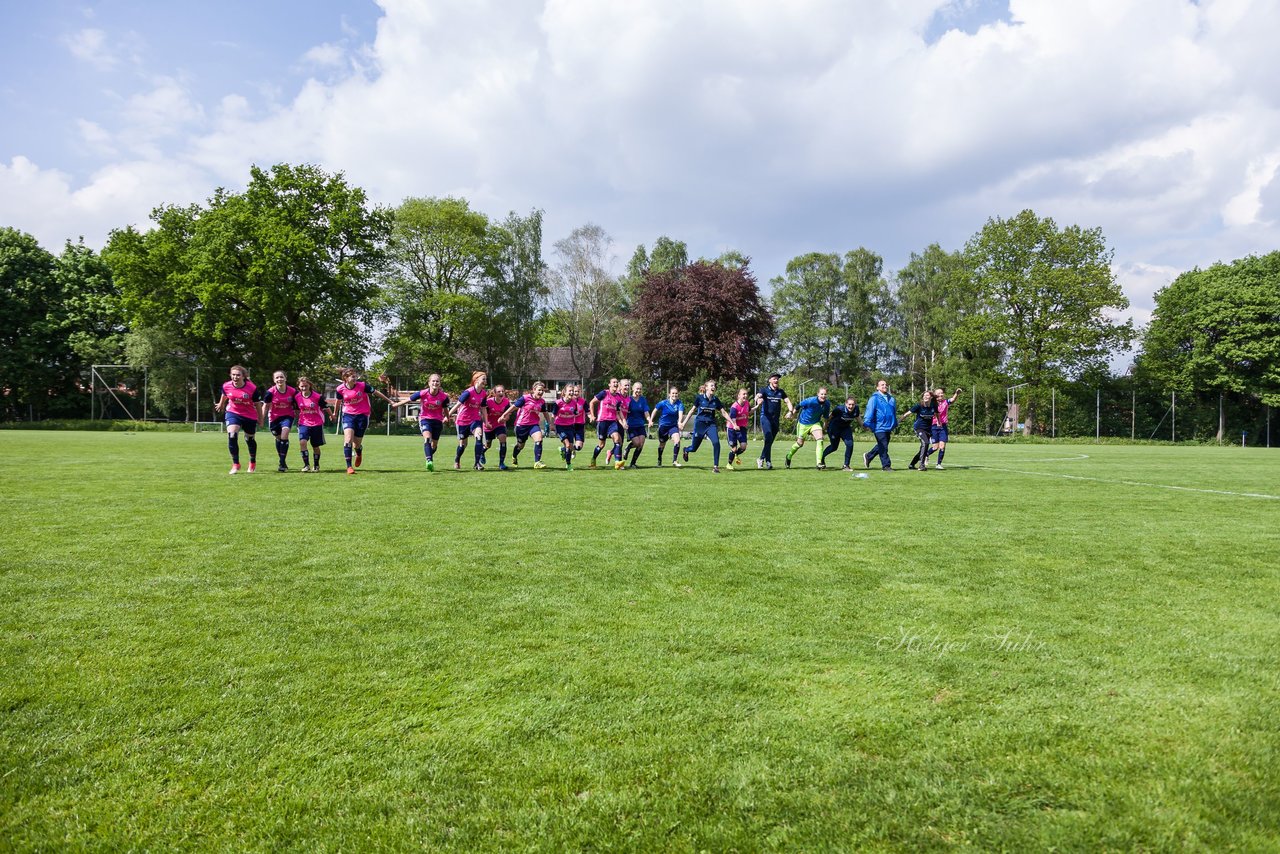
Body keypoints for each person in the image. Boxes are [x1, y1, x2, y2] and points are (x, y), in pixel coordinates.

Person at [333, 369, 396, 475]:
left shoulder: (362, 386)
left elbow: (376, 392)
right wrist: (334, 414)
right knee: (348, 439)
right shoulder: (340, 389)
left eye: (355, 376)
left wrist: (389, 401)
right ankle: (349, 467)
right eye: (352, 376)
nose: (355, 378)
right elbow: (338, 402)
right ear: (346, 378)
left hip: (362, 415)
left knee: (356, 444)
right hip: (348, 415)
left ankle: (359, 451)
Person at [214, 365, 264, 474]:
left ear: (243, 376)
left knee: (249, 439)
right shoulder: (226, 385)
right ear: (230, 375)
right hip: (233, 412)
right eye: (233, 375)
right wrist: (221, 404)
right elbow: (225, 394)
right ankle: (235, 464)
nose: (235, 377)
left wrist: (261, 419)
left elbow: (258, 405)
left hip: (249, 415)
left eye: (238, 375)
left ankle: (252, 462)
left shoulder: (252, 388)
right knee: (232, 435)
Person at [681, 379, 734, 473]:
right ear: (706, 388)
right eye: (711, 386)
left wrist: (733, 424)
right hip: (699, 425)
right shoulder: (699, 398)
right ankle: (686, 450)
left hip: (711, 425)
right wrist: (683, 423)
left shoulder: (716, 400)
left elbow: (724, 413)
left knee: (716, 443)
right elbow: (691, 411)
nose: (713, 387)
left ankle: (715, 467)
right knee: (694, 448)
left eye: (714, 386)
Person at [406, 373, 450, 471]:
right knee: (427, 439)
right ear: (429, 383)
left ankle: (429, 455)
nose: (435, 382)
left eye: (437, 381)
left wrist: (447, 417)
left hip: (438, 421)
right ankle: (429, 460)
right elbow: (408, 400)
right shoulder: (423, 393)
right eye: (433, 381)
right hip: (425, 419)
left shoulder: (444, 397)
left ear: (440, 383)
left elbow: (445, 409)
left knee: (434, 445)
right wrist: (395, 404)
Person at [448, 371, 491, 470]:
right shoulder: (468, 392)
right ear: (476, 380)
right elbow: (458, 404)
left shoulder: (484, 393)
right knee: (463, 445)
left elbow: (483, 408)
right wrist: (448, 415)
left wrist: (486, 422)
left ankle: (477, 463)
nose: (485, 381)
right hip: (462, 420)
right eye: (483, 379)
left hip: (475, 419)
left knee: (479, 436)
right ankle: (457, 460)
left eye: (486, 379)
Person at [261, 370, 299, 472]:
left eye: (281, 377)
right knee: (278, 438)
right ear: (274, 380)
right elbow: (265, 406)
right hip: (274, 418)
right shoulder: (270, 392)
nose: (279, 379)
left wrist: (299, 414)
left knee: (284, 435)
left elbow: (299, 403)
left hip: (287, 416)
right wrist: (261, 419)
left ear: (285, 378)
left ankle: (282, 463)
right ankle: (283, 461)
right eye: (277, 378)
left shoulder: (292, 391)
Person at [754, 373, 794, 469]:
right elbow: (757, 396)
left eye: (777, 379)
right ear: (770, 380)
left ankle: (762, 459)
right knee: (768, 437)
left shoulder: (781, 392)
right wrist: (757, 400)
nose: (776, 380)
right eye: (774, 379)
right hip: (765, 418)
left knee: (770, 441)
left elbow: (788, 401)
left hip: (775, 420)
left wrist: (790, 412)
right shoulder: (764, 390)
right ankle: (768, 461)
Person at [785, 387, 831, 469]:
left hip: (815, 423)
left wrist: (825, 426)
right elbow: (798, 406)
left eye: (825, 394)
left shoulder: (827, 404)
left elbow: (826, 417)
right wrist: (791, 414)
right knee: (799, 444)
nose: (823, 396)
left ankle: (819, 463)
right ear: (818, 394)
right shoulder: (810, 401)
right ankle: (788, 457)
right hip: (803, 423)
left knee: (820, 440)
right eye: (822, 394)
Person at [510, 382, 553, 469]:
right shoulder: (525, 398)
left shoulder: (542, 401)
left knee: (539, 439)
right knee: (520, 446)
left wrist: (550, 423)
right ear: (534, 390)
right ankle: (514, 456)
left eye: (542, 390)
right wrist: (504, 415)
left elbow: (545, 413)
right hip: (521, 425)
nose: (541, 392)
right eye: (539, 390)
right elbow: (514, 407)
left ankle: (537, 462)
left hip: (533, 425)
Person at [862, 379, 898, 470]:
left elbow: (893, 413)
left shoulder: (891, 399)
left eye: (885, 384)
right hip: (879, 426)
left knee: (882, 445)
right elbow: (870, 411)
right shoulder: (874, 398)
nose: (884, 386)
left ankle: (868, 456)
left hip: (888, 427)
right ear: (877, 387)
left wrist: (894, 423)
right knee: (884, 446)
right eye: (882, 385)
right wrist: (867, 423)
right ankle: (886, 465)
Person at [293, 376, 327, 472]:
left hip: (317, 424)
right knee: (302, 442)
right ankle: (306, 465)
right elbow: (296, 409)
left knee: (315, 446)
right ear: (299, 387)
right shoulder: (297, 397)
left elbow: (326, 407)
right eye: (302, 386)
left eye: (306, 386)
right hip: (303, 423)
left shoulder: (317, 397)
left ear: (310, 386)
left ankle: (316, 465)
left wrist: (332, 416)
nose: (304, 388)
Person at [588, 377, 624, 468]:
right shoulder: (604, 393)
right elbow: (592, 402)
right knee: (601, 445)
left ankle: (617, 463)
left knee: (617, 439)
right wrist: (592, 415)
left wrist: (623, 422)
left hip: (612, 422)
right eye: (613, 382)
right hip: (602, 422)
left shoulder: (619, 398)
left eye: (617, 382)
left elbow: (618, 411)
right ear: (609, 384)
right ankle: (593, 458)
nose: (615, 384)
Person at [648, 386, 685, 467]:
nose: (674, 395)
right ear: (669, 394)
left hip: (673, 426)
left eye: (676, 393)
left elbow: (680, 414)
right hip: (663, 426)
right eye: (673, 393)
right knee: (662, 444)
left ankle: (674, 461)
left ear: (678, 394)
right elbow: (655, 410)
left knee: (677, 440)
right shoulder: (663, 403)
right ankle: (659, 459)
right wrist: (650, 420)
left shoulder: (680, 404)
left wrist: (679, 422)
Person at [822, 395, 860, 471]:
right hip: (834, 428)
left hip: (845, 428)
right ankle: (821, 458)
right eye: (849, 404)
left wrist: (863, 425)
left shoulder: (856, 409)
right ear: (846, 404)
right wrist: (824, 428)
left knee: (850, 444)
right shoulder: (839, 409)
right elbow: (829, 417)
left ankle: (846, 465)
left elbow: (858, 417)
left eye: (853, 404)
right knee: (834, 447)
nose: (851, 406)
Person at [551, 384, 585, 470]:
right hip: (560, 426)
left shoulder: (574, 403)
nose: (571, 392)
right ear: (565, 392)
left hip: (570, 426)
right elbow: (553, 415)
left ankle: (567, 461)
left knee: (569, 446)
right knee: (567, 444)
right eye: (569, 391)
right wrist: (552, 425)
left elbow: (576, 412)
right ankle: (569, 465)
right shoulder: (558, 403)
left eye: (572, 391)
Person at [483, 384, 515, 470]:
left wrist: (504, 419)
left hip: (499, 425)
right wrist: (486, 423)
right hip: (489, 426)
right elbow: (483, 414)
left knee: (503, 438)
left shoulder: (506, 402)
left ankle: (501, 463)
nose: (501, 393)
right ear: (494, 393)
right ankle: (482, 453)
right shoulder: (488, 402)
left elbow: (508, 415)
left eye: (502, 391)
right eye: (499, 391)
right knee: (488, 444)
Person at [930, 386, 961, 470]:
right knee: (935, 447)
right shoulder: (932, 404)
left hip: (943, 426)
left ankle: (938, 464)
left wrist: (956, 394)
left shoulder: (945, 402)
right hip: (934, 426)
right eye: (939, 393)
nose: (941, 394)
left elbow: (952, 400)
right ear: (935, 395)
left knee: (942, 446)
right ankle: (925, 455)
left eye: (942, 393)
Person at [622, 381, 651, 468]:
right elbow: (623, 411)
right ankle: (628, 448)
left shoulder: (643, 399)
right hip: (631, 425)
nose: (639, 390)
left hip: (640, 425)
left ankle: (633, 463)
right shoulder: (628, 399)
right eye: (637, 388)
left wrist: (649, 420)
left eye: (640, 389)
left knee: (641, 444)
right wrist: (623, 422)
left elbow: (646, 411)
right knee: (637, 443)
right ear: (633, 389)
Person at [908, 391, 939, 471]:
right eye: (924, 395)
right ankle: (921, 465)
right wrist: (899, 420)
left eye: (927, 395)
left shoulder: (933, 406)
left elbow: (937, 413)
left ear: (931, 397)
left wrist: (939, 422)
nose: (925, 396)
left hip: (928, 429)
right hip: (919, 428)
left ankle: (912, 464)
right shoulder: (919, 406)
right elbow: (908, 413)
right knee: (925, 443)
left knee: (923, 448)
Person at [725, 387, 752, 470]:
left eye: (746, 394)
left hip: (742, 428)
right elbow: (732, 418)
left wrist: (758, 405)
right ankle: (729, 464)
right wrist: (735, 425)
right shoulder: (734, 406)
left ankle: (736, 454)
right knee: (734, 448)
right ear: (739, 395)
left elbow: (749, 412)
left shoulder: (747, 403)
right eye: (743, 394)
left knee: (743, 447)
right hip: (732, 428)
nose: (745, 395)